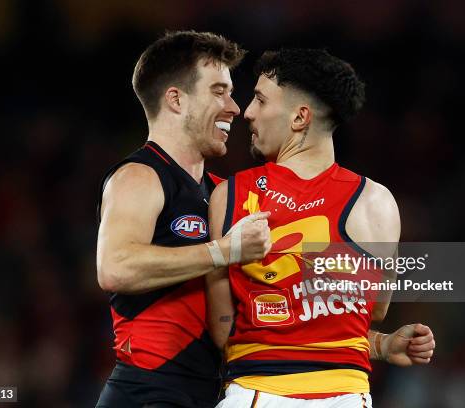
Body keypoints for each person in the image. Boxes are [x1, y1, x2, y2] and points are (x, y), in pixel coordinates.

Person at [206, 48, 435, 407]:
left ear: (300, 117)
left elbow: (223, 331)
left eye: (260, 100)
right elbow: (369, 314)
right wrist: (383, 344)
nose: (247, 112)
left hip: (255, 394)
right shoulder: (377, 203)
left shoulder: (231, 195)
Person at [95, 31, 272, 408]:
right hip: (149, 390)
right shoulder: (140, 176)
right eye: (218, 91)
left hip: (213, 393)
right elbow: (115, 267)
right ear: (176, 99)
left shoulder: (223, 192)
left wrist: (378, 342)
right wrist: (223, 251)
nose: (235, 107)